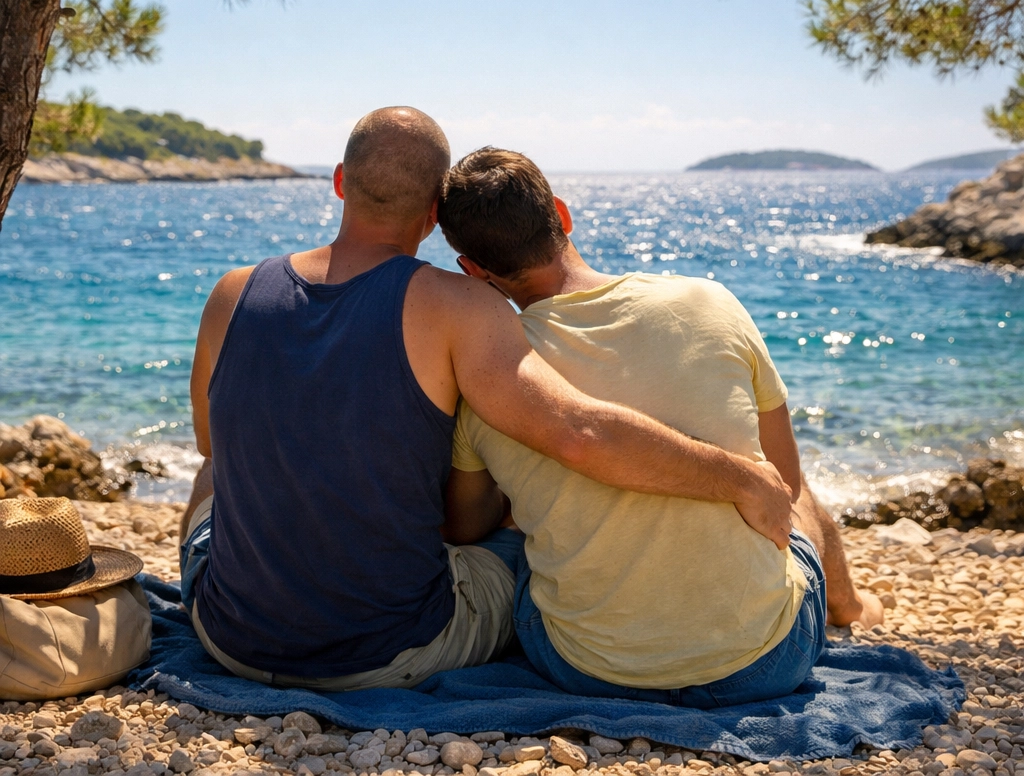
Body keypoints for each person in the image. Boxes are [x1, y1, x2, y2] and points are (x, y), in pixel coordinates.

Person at [179, 107, 794, 692]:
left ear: (340, 183)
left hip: (229, 637)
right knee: (513, 546)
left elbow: (213, 448)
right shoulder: (460, 305)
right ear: (432, 214)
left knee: (216, 472)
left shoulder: (231, 293)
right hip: (392, 652)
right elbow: (576, 431)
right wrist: (740, 479)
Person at [438, 146, 885, 707]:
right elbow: (785, 486)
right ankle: (850, 609)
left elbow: (464, 524)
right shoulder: (710, 301)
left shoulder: (494, 376)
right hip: (764, 662)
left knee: (533, 510)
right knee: (801, 498)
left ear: (472, 270)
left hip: (587, 667)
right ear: (562, 213)